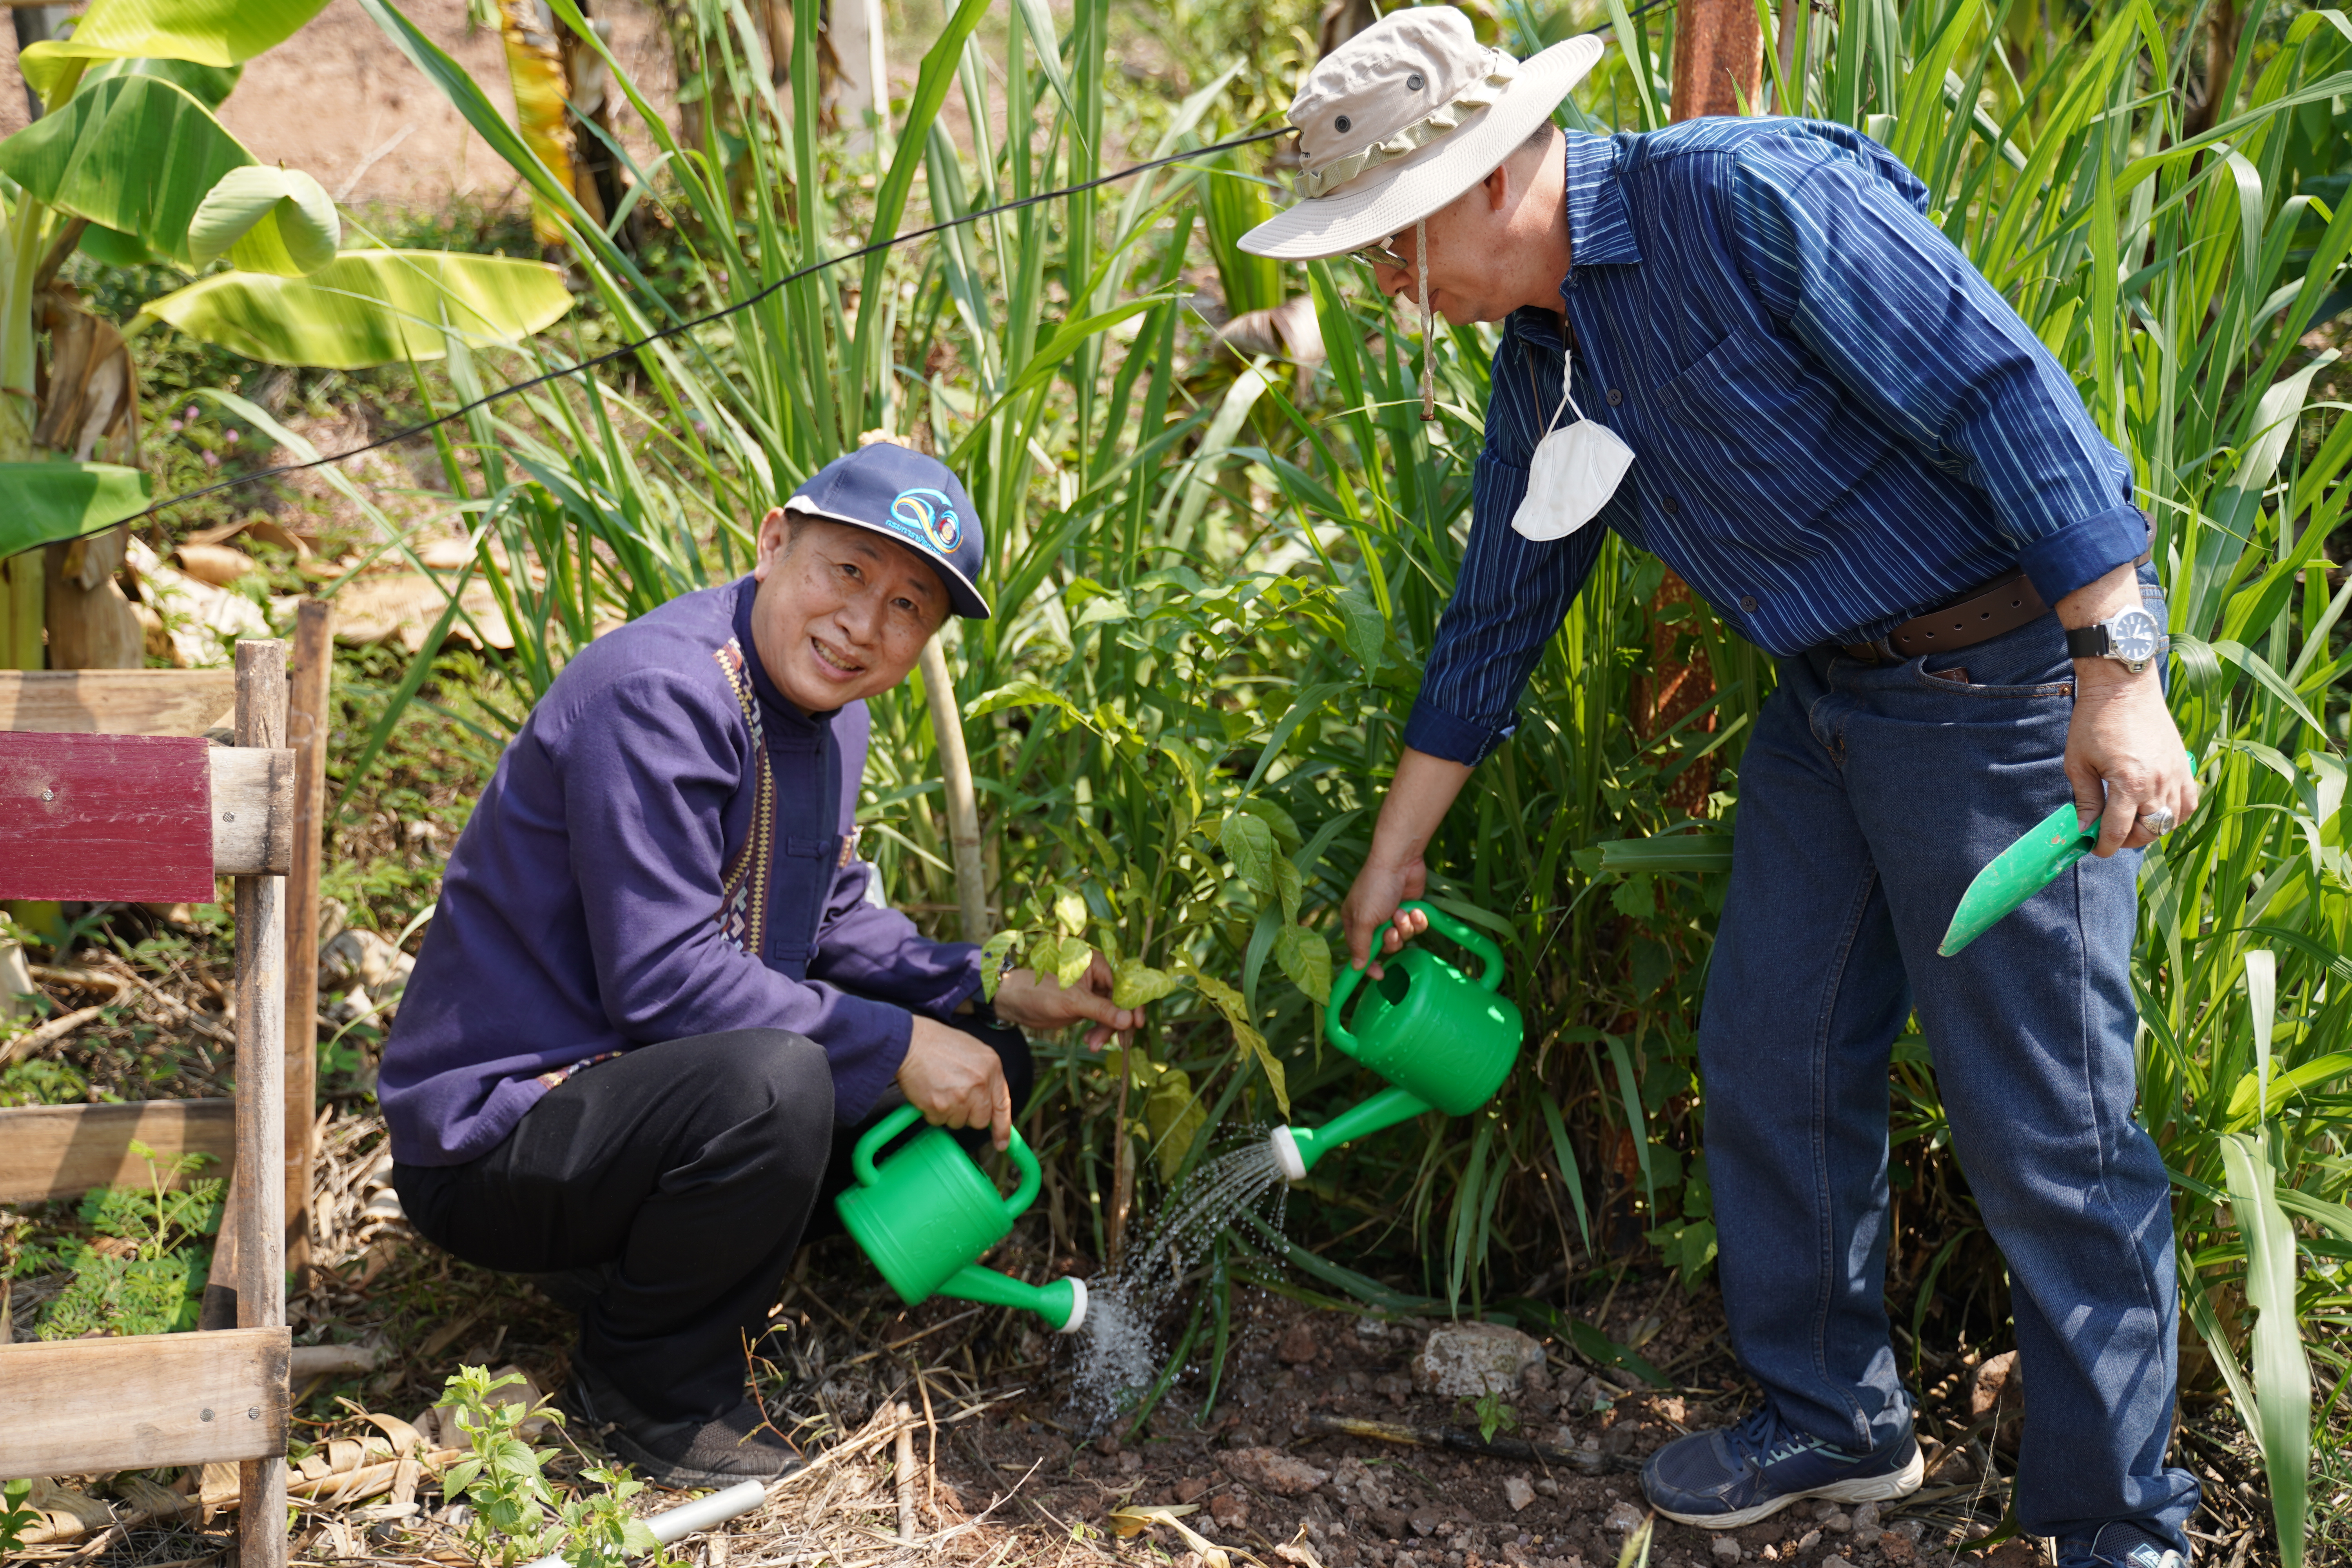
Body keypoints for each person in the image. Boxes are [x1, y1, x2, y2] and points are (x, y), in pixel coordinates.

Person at [1240, 9, 2200, 1560]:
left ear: (1490, 179)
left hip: (2009, 692)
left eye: (1388, 241)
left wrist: (2121, 671)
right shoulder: (1549, 354)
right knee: (1770, 1045)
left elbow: (2004, 391)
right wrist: (1393, 857)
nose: (1382, 284)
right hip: (1830, 702)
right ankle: (1836, 1415)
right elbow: (1500, 606)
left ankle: (2122, 1522)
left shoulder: (1740, 198)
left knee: (2049, 1124)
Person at [380, 442, 1140, 1486]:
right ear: (775, 542)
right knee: (779, 1083)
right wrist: (894, 1040)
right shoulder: (660, 692)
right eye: (849, 572)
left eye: (911, 607)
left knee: (983, 1054)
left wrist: (986, 982)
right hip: (503, 1138)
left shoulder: (831, 714)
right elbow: (666, 983)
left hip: (639, 1110)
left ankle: (685, 1277)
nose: (866, 624)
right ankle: (650, 1389)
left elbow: (822, 920)